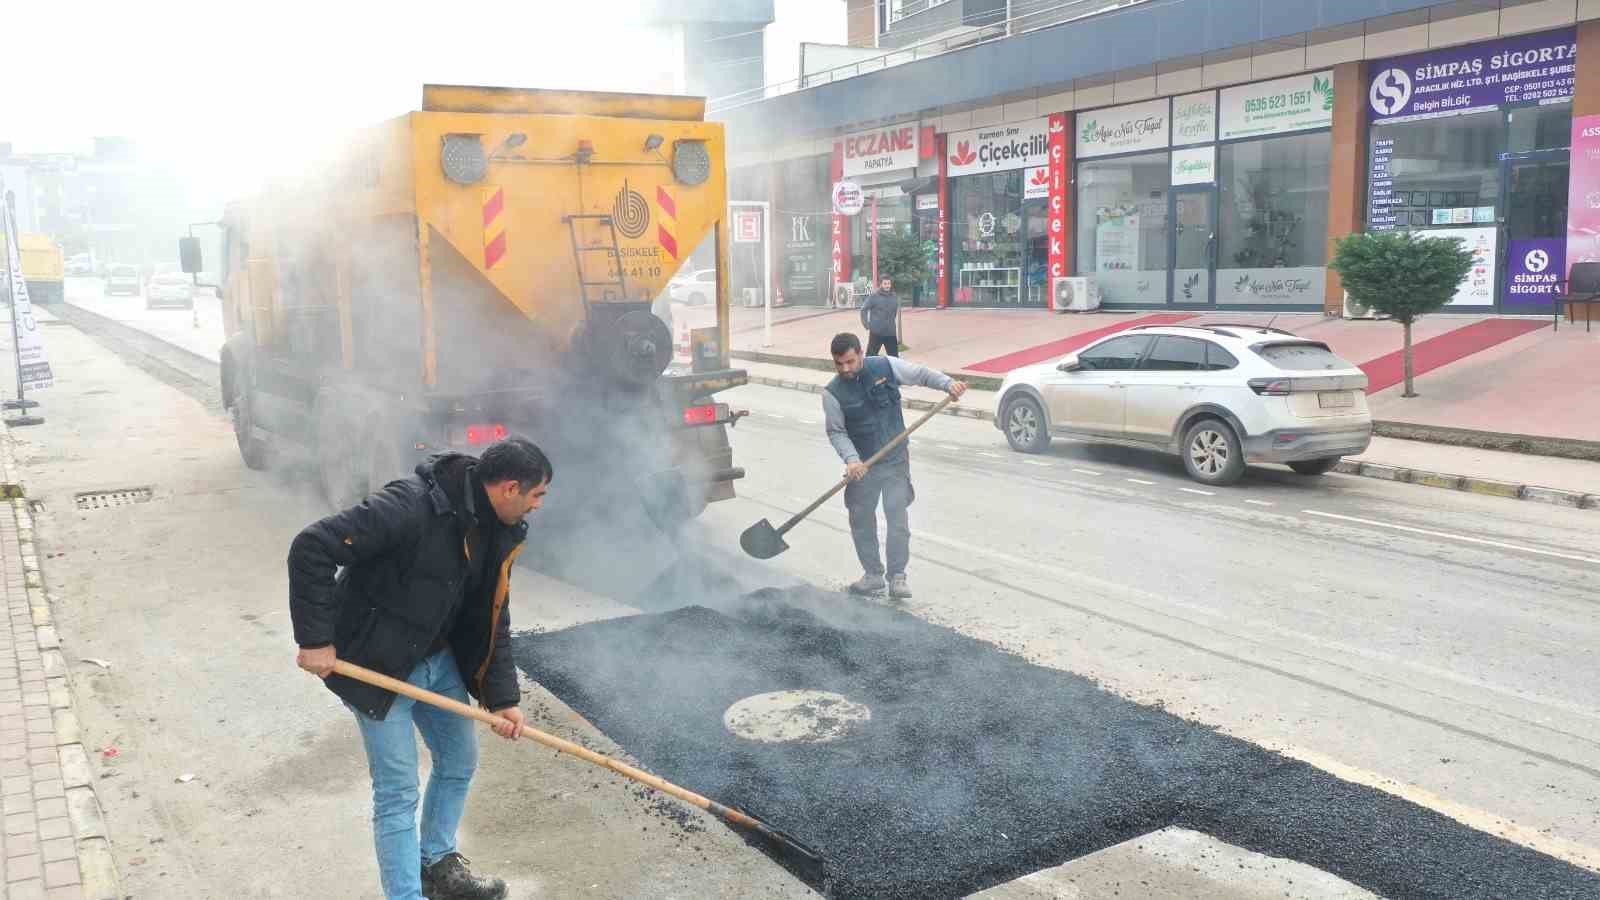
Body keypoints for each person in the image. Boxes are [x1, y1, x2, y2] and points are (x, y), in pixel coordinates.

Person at [289, 438, 552, 900]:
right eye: (537, 495)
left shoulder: (497, 528)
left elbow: (492, 615)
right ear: (510, 488)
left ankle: (437, 865)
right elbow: (312, 547)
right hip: (377, 666)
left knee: (458, 761)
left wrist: (503, 698)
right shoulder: (409, 505)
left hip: (436, 660)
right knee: (398, 793)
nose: (538, 506)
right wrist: (315, 639)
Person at [822, 332, 966, 599]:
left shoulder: (885, 367)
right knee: (861, 521)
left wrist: (948, 384)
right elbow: (837, 432)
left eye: (851, 362)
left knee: (896, 518)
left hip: (895, 461)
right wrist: (852, 460)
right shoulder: (832, 393)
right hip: (863, 467)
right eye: (839, 364)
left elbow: (921, 374)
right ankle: (873, 576)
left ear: (861, 354)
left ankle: (897, 577)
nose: (846, 369)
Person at [859, 276, 901, 357]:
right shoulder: (874, 296)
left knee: (894, 358)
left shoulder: (894, 296)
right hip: (876, 332)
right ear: (881, 284)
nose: (887, 285)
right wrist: (867, 325)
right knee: (870, 357)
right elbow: (863, 309)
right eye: (885, 284)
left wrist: (890, 322)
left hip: (890, 332)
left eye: (888, 283)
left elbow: (894, 312)